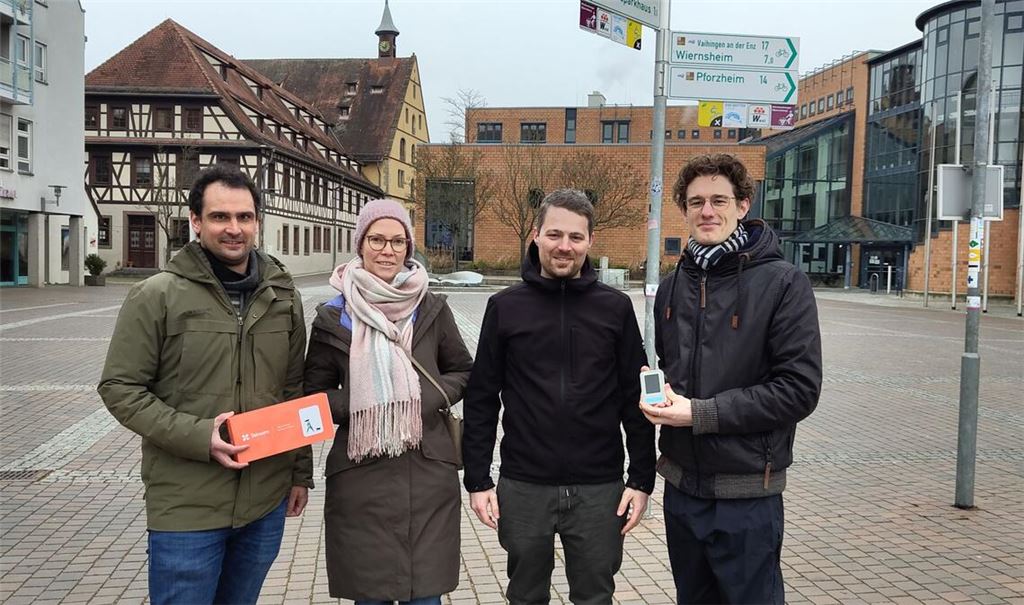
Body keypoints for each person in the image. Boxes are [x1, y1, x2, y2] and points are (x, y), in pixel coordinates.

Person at [98, 165, 311, 605]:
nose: (233, 229)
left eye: (244, 217)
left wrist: (299, 474)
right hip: (186, 504)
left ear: (257, 222)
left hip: (264, 500)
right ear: (196, 221)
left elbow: (294, 392)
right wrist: (200, 436)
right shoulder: (157, 295)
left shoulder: (282, 297)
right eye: (220, 217)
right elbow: (120, 387)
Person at [643, 153, 822, 604]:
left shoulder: (784, 283)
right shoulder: (672, 285)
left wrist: (699, 414)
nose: (707, 211)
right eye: (696, 201)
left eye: (719, 200)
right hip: (683, 491)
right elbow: (677, 370)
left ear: (743, 205)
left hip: (747, 495)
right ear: (683, 209)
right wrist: (661, 394)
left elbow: (798, 390)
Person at [463, 189, 656, 605]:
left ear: (590, 241)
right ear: (536, 235)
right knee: (526, 595)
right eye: (554, 234)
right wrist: (478, 479)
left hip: (600, 487)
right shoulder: (505, 307)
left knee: (595, 596)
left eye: (576, 237)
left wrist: (641, 479)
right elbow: (482, 397)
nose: (564, 246)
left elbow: (633, 397)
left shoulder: (616, 308)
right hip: (524, 484)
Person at [303, 198, 472, 605]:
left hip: (428, 470)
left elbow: (464, 371)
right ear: (360, 243)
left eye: (398, 241)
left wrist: (417, 398)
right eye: (377, 239)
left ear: (408, 249)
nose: (387, 250)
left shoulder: (431, 307)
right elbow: (311, 395)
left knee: (425, 597)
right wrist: (365, 403)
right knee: (371, 595)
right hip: (361, 476)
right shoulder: (333, 315)